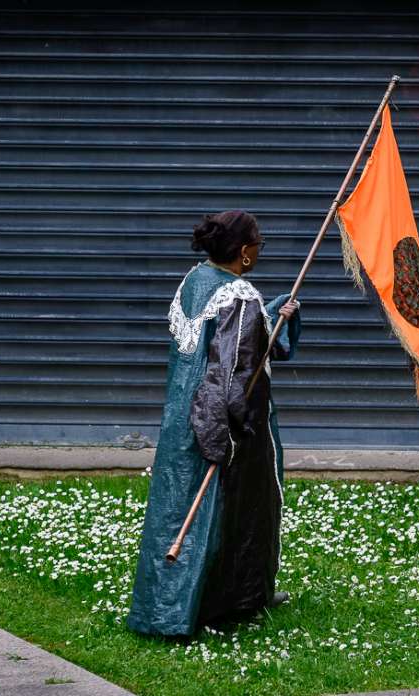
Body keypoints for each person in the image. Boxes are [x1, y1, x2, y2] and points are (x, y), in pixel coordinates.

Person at [126, 209, 301, 638]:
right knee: (238, 506)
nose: (261, 249)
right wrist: (227, 431)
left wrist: (272, 312)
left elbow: (221, 341)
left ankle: (171, 604)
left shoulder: (195, 281)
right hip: (223, 420)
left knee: (182, 503)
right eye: (259, 243)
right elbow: (232, 371)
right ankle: (224, 601)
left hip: (184, 418)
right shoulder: (239, 296)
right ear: (244, 251)